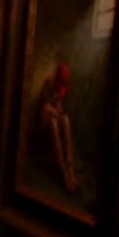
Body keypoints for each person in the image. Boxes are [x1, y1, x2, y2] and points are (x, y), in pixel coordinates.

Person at [34, 62, 80, 194]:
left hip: (53, 119)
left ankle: (70, 168)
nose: (63, 83)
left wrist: (59, 107)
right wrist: (56, 112)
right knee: (54, 123)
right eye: (62, 80)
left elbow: (59, 109)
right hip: (44, 124)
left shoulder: (62, 89)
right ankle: (63, 172)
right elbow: (45, 108)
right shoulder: (48, 84)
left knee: (66, 119)